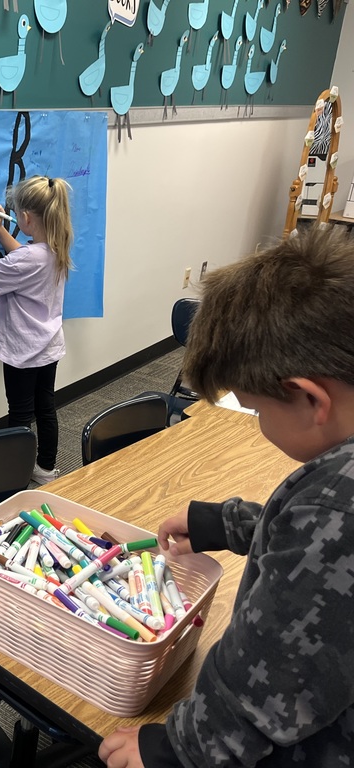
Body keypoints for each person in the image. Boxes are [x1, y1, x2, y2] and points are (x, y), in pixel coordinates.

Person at [99, 226, 354, 767]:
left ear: (311, 399)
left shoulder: (336, 506)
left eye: (257, 410)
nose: (258, 423)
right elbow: (317, 544)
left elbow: (275, 671)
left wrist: (177, 750)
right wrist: (226, 524)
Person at [0, 175, 73, 486]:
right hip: (48, 346)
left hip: (22, 350)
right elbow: (21, 257)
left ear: (24, 218)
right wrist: (0, 230)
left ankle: (15, 477)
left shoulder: (27, 258)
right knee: (45, 407)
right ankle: (46, 469)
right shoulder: (56, 247)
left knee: (20, 414)